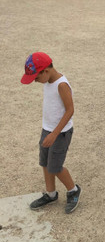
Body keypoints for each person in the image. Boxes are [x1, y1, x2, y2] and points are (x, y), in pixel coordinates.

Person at [21, 52, 81, 214]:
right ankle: (51, 194)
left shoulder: (61, 85)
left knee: (55, 166)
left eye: (36, 77)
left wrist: (54, 133)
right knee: (45, 163)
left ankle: (73, 190)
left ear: (45, 71)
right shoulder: (48, 81)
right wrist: (49, 131)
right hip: (47, 129)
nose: (35, 81)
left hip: (60, 134)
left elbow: (70, 110)